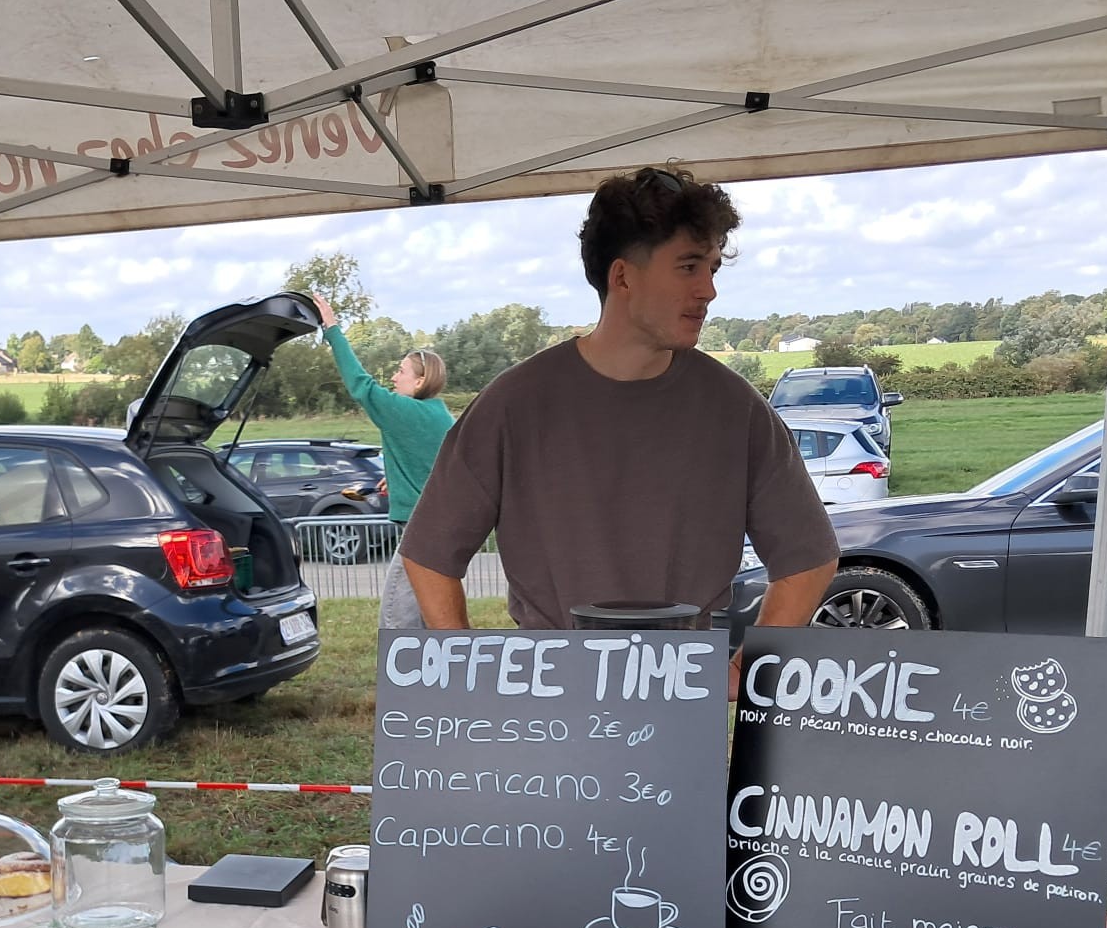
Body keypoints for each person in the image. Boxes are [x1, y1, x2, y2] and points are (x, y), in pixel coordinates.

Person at [397, 165, 838, 696]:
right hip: (548, 705)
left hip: (678, 703)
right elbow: (429, 554)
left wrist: (747, 669)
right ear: (623, 277)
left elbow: (809, 556)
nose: (709, 290)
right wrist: (466, 670)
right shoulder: (514, 404)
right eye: (689, 266)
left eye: (713, 268)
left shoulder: (736, 409)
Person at [313, 298, 454, 629]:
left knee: (396, 620)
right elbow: (438, 465)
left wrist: (332, 328)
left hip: (421, 528)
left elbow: (360, 385)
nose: (393, 377)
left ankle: (400, 666)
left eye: (401, 371)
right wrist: (400, 479)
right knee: (427, 617)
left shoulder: (403, 411)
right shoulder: (438, 414)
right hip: (440, 526)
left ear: (420, 381)